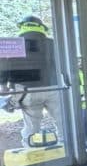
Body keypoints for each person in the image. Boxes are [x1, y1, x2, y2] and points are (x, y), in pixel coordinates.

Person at [0, 15, 63, 147]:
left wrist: (3, 86)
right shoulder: (52, 43)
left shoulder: (14, 44)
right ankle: (66, 148)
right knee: (63, 122)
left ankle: (30, 149)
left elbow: (4, 66)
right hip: (54, 88)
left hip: (26, 91)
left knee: (32, 126)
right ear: (41, 28)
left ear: (22, 26)